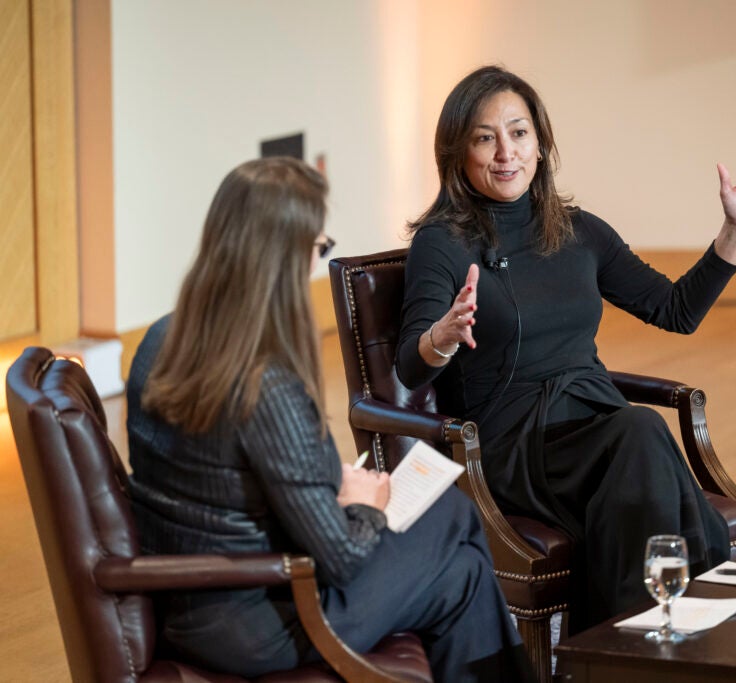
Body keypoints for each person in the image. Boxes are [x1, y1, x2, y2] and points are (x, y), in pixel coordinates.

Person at [396, 65, 736, 633]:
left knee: (636, 438)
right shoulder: (442, 242)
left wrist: (735, 233)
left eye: (518, 133)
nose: (505, 152)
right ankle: (672, 636)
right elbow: (410, 367)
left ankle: (636, 643)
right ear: (458, 152)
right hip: (511, 446)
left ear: (541, 143)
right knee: (641, 432)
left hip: (592, 427)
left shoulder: (579, 231)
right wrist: (441, 336)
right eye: (485, 138)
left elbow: (675, 311)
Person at [127, 156, 535, 681]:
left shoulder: (159, 339)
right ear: (288, 256)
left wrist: (323, 483)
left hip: (189, 604)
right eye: (321, 248)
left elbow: (227, 478)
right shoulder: (266, 384)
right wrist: (364, 504)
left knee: (464, 574)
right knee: (452, 515)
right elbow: (342, 559)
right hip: (264, 619)